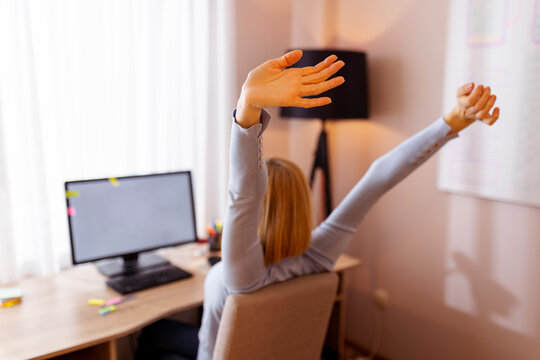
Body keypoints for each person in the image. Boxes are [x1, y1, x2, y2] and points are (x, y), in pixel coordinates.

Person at [137, 50, 499, 360]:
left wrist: (248, 111)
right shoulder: (319, 256)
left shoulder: (237, 277)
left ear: (254, 218)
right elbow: (379, 179)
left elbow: (242, 194)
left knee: (150, 336)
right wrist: (451, 122)